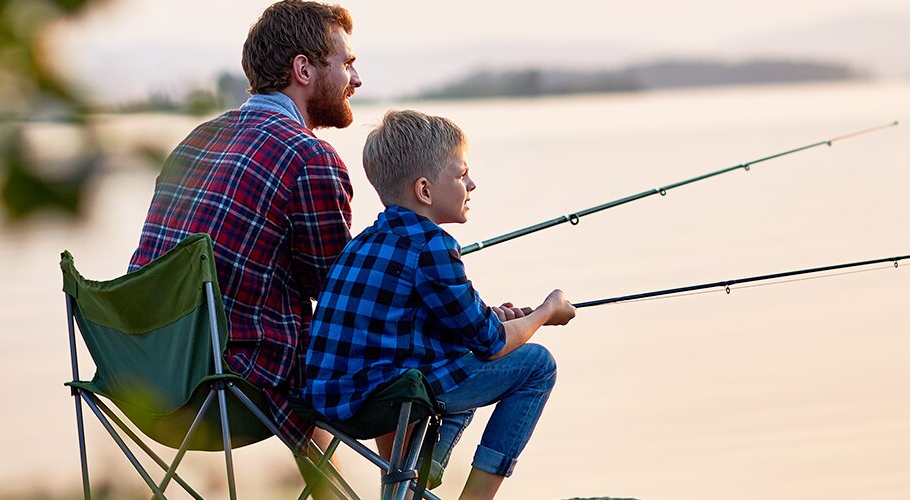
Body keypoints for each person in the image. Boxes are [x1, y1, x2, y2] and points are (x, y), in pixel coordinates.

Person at [127, 0, 360, 463]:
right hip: (227, 391)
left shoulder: (196, 139)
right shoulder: (310, 158)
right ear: (304, 69)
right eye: (347, 64)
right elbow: (340, 299)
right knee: (402, 347)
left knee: (292, 334)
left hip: (147, 379)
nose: (356, 80)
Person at [302, 110, 576, 500]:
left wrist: (492, 318)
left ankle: (429, 463)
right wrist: (546, 311)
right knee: (536, 365)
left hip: (329, 401)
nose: (472, 184)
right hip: (386, 401)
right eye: (462, 175)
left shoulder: (361, 242)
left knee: (463, 345)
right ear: (425, 191)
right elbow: (492, 342)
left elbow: (429, 321)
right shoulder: (433, 246)